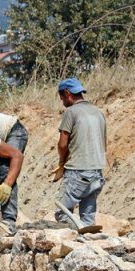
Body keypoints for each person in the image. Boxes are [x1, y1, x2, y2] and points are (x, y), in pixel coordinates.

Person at [51, 78, 107, 227]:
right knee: (88, 218)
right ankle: (87, 242)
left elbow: (63, 144)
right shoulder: (98, 113)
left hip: (78, 171)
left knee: (62, 213)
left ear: (67, 93)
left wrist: (62, 163)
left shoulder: (71, 112)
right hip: (97, 171)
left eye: (62, 97)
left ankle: (74, 235)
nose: (62, 101)